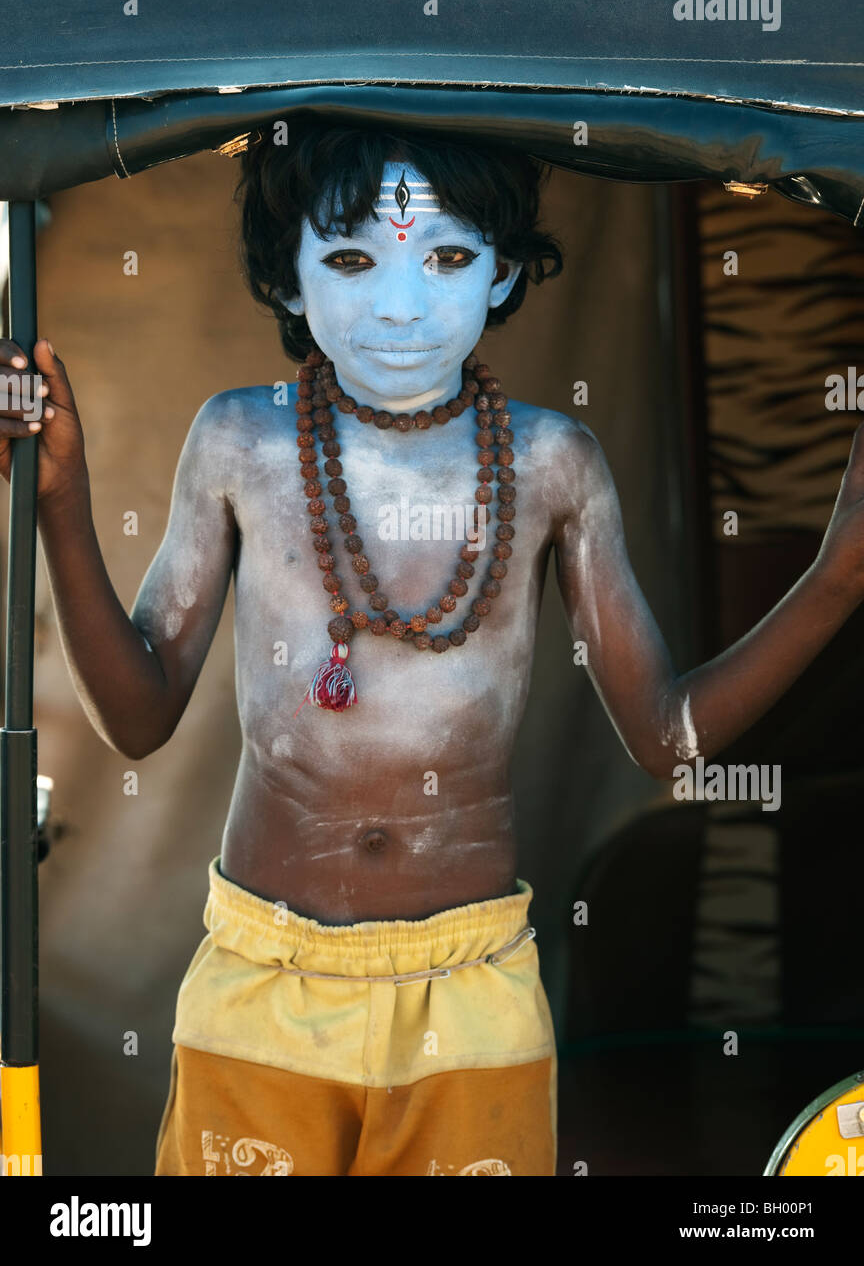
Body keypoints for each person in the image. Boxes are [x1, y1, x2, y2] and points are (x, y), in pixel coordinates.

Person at [7, 120, 864, 1177]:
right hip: (262, 986)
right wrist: (59, 501)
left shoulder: (554, 463)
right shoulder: (242, 442)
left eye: (449, 258)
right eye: (353, 258)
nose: (402, 305)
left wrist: (839, 577)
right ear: (286, 278)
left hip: (473, 994)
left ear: (503, 271)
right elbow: (137, 716)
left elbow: (667, 739)